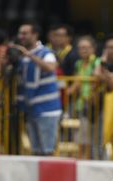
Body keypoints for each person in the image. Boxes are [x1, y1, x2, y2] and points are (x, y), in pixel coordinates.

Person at [11, 22, 62, 156]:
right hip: (31, 109)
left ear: (35, 35)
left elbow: (51, 67)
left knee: (47, 151)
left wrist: (29, 55)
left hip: (47, 110)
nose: (21, 36)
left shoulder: (46, 52)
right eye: (20, 33)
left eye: (25, 33)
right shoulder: (21, 56)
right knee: (36, 151)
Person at [67, 35, 100, 159]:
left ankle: (91, 159)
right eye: (81, 48)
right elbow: (77, 82)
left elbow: (97, 80)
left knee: (93, 134)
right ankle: (83, 159)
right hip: (82, 103)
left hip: (95, 103)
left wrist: (91, 93)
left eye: (86, 47)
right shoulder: (78, 63)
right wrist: (66, 95)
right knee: (83, 134)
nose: (83, 50)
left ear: (93, 49)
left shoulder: (97, 62)